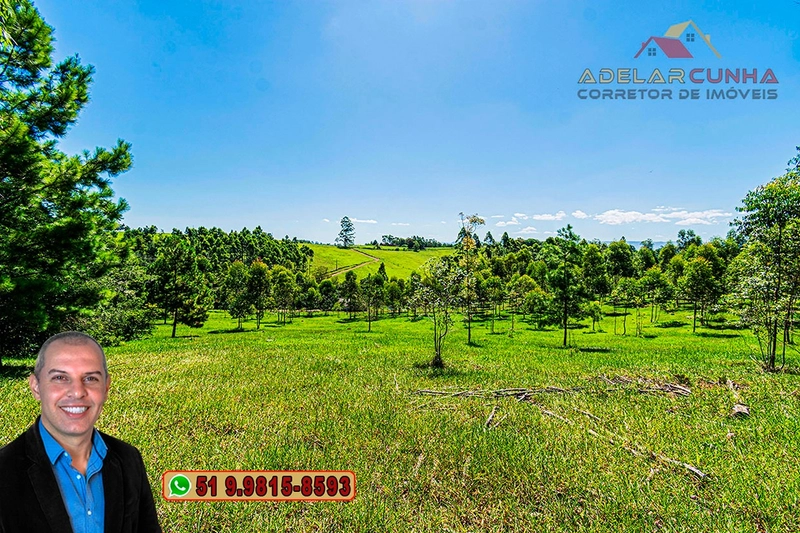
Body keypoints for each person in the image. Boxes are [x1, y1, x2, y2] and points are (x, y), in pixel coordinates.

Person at [0, 331, 161, 533]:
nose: (77, 392)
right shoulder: (4, 471)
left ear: (106, 387)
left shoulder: (129, 459)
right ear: (36, 387)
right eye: (60, 377)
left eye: (90, 378)